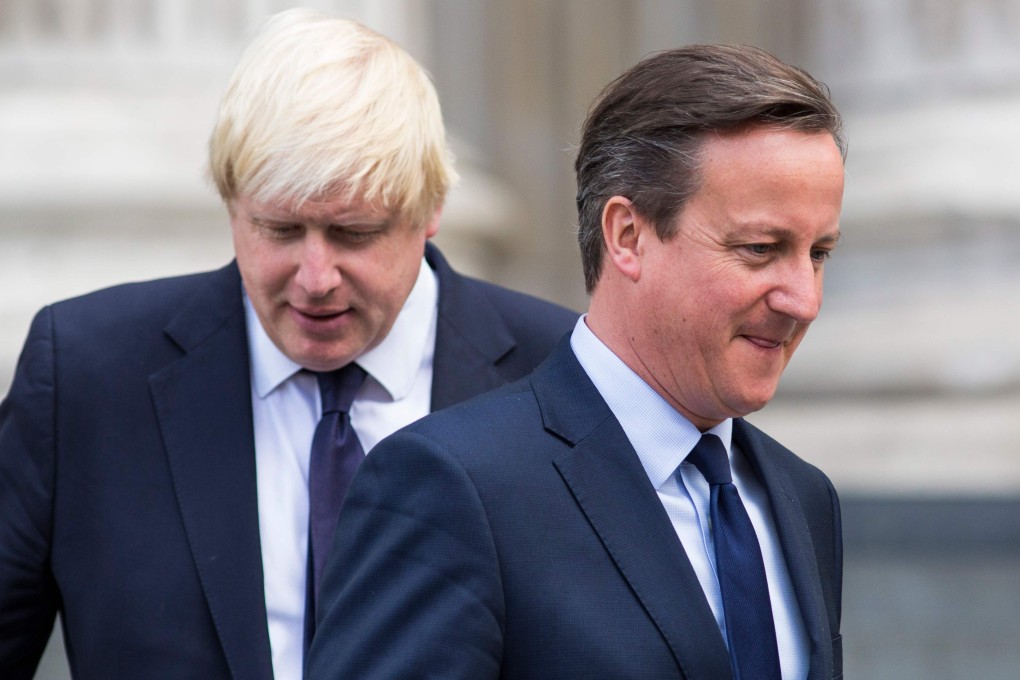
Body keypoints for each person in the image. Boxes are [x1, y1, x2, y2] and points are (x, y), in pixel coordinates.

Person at [0, 9, 576, 680]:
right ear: (231, 203)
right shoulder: (86, 375)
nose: (315, 279)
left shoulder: (556, 375)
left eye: (354, 232)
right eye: (278, 229)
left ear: (430, 210)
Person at [308, 44, 846, 680]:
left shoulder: (802, 497)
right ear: (627, 236)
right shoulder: (453, 487)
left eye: (817, 254)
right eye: (760, 248)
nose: (804, 301)